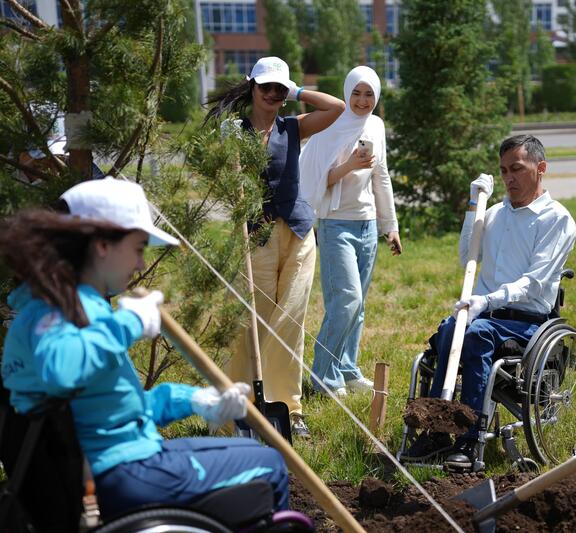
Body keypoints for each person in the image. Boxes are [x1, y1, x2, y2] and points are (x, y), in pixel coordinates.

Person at [0, 177, 289, 519]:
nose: (140, 264)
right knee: (270, 463)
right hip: (126, 473)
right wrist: (129, 323)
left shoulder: (67, 305)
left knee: (250, 451)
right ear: (103, 245)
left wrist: (194, 400)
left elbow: (113, 410)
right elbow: (62, 370)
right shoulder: (60, 312)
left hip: (125, 463)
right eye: (138, 248)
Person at [403, 134, 576, 469]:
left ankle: (468, 440)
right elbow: (468, 255)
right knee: (450, 329)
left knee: (476, 333)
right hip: (483, 314)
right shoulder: (495, 212)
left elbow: (534, 282)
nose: (508, 177)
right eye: (503, 171)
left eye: (516, 169)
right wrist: (473, 204)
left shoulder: (556, 219)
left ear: (541, 168)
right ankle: (437, 433)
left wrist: (488, 300)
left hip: (527, 322)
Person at [205, 57, 345, 438]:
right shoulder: (233, 131)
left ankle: (288, 407)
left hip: (298, 232)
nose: (272, 94)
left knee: (291, 318)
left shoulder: (293, 127)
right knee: (253, 318)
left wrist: (296, 90)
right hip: (256, 234)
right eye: (266, 86)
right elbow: (215, 172)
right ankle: (241, 402)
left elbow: (336, 107)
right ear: (251, 86)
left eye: (279, 89)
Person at [298, 66, 401, 397]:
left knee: (358, 306)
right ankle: (324, 377)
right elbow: (315, 179)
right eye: (356, 93)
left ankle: (347, 368)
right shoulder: (330, 126)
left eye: (369, 93)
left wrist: (390, 226)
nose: (362, 100)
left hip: (367, 224)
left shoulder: (376, 126)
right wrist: (349, 166)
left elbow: (381, 176)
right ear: (346, 93)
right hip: (335, 225)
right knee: (346, 300)